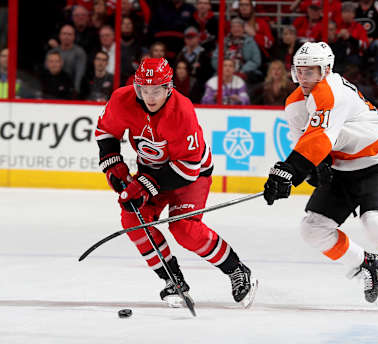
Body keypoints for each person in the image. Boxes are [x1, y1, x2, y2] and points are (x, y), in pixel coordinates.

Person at [263, 42, 378, 313]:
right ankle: (365, 263)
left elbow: (319, 139)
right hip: (343, 168)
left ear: (327, 70)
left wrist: (290, 171)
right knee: (313, 228)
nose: (304, 78)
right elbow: (306, 143)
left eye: (311, 71)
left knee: (377, 222)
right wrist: (311, 168)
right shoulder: (295, 104)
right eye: (300, 71)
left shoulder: (332, 90)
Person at [95, 57, 257, 308]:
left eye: (156, 90)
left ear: (168, 88)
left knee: (185, 230)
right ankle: (173, 280)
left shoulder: (182, 111)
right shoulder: (122, 99)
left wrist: (142, 186)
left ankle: (236, 269)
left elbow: (187, 169)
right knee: (132, 218)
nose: (149, 97)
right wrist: (114, 167)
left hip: (190, 174)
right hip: (152, 170)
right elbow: (106, 132)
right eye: (143, 89)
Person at [355, 0, 378, 86]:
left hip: (374, 41)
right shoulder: (354, 7)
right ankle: (354, 76)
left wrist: (374, 37)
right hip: (356, 41)